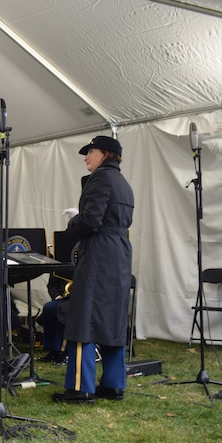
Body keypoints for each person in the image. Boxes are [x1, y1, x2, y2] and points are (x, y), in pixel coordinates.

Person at [52, 135, 134, 404]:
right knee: (112, 320)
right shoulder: (123, 183)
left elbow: (91, 220)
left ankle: (80, 387)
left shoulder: (100, 179)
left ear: (106, 154)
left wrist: (74, 221)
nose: (86, 157)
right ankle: (113, 384)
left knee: (83, 319)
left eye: (91, 152)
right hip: (119, 255)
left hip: (98, 253)